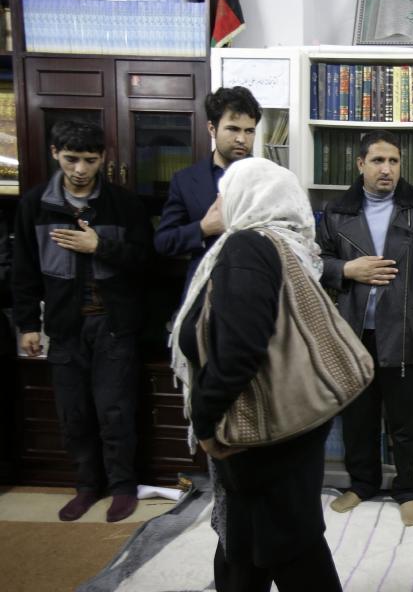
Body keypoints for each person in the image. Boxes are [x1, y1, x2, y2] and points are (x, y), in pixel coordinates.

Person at [170, 158, 342, 592]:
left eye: (224, 193)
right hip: (291, 424)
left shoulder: (248, 247)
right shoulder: (292, 246)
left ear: (251, 197)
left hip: (258, 433)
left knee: (289, 547)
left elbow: (239, 350)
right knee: (252, 546)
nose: (217, 203)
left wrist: (206, 422)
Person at [12, 119, 150, 522]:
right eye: (71, 159)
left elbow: (145, 262)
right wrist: (27, 325)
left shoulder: (124, 205)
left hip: (114, 326)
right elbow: (23, 271)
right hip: (63, 328)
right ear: (55, 153)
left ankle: (123, 486)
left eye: (90, 160)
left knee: (116, 411)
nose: (80, 169)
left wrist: (100, 246)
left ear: (103, 158)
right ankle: (87, 486)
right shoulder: (34, 205)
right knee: (73, 414)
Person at [319, 129, 413, 526]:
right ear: (360, 165)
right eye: (377, 161)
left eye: (393, 161)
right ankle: (363, 484)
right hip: (352, 333)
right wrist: (346, 269)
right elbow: (312, 262)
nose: (386, 169)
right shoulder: (337, 211)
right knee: (358, 417)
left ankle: (407, 488)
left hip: (406, 329)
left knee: (404, 418)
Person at [154, 86, 261, 295]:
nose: (242, 139)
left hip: (254, 292)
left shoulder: (267, 178)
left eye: (249, 131)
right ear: (212, 128)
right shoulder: (185, 180)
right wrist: (203, 228)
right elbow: (163, 242)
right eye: (233, 129)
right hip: (203, 293)